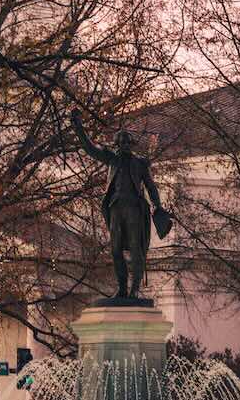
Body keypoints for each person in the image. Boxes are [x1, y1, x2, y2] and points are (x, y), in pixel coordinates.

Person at [70, 109, 171, 300]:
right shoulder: (112, 159)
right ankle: (122, 288)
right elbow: (90, 148)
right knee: (115, 250)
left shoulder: (140, 163)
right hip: (115, 208)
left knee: (135, 248)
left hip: (134, 209)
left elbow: (150, 186)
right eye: (121, 142)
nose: (124, 145)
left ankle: (135, 289)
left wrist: (158, 206)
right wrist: (78, 127)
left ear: (131, 144)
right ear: (117, 144)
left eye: (127, 142)